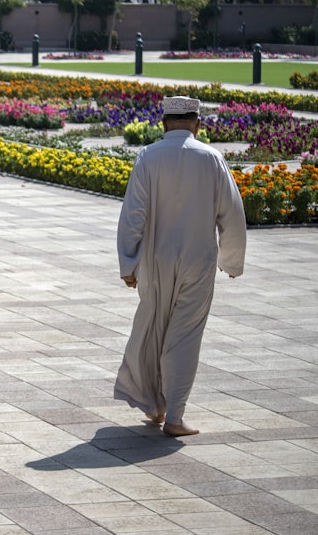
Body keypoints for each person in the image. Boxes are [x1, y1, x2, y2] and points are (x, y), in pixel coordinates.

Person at [114, 96, 246, 437]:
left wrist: (129, 262)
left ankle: (155, 405)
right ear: (197, 124)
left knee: (154, 328)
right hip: (197, 260)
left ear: (163, 124)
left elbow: (133, 215)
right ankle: (173, 415)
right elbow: (231, 214)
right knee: (185, 334)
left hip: (155, 260)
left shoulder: (148, 156)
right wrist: (231, 260)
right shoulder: (212, 158)